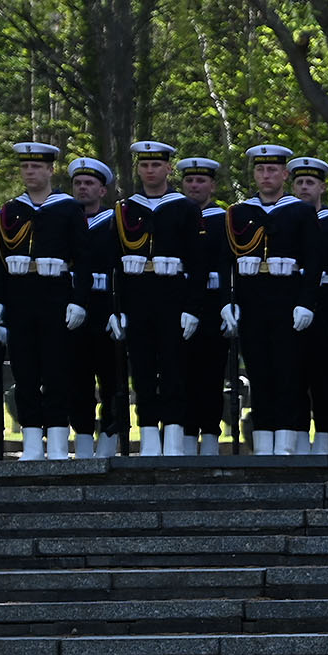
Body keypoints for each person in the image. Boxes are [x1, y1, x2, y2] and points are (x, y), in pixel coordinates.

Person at [225, 144, 315, 454]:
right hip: (252, 301)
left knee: (288, 371)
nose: (266, 175)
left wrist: (306, 301)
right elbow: (229, 262)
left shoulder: (300, 211)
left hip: (287, 300)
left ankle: (286, 442)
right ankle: (263, 440)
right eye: (261, 169)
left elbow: (313, 262)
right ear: (254, 174)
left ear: (285, 174)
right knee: (259, 371)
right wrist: (229, 300)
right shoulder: (239, 213)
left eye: (273, 169)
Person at [0, 141, 82, 460]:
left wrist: (78, 299)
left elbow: (82, 257)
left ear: (50, 170)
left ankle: (58, 441)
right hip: (20, 295)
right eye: (25, 167)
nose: (29, 172)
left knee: (56, 368)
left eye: (36, 167)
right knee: (25, 370)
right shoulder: (11, 209)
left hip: (55, 293)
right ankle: (31, 440)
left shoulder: (67, 208)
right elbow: (0, 260)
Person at [115, 140, 198, 456]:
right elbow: (116, 263)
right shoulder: (125, 209)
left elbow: (197, 263)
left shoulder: (184, 208)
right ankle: (148, 436)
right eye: (144, 165)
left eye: (156, 165)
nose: (149, 170)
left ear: (168, 168)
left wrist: (192, 307)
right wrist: (118, 308)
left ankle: (174, 437)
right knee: (143, 368)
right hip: (138, 297)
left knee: (175, 368)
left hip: (172, 295)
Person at [68, 158, 127, 458]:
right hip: (72, 308)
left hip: (105, 306)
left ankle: (109, 439)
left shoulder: (115, 222)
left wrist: (121, 308)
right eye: (78, 183)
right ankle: (80, 439)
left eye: (89, 183)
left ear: (103, 190)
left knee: (111, 377)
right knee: (76, 378)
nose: (82, 188)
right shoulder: (65, 219)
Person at [176, 156, 229, 454]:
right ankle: (183, 437)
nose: (194, 185)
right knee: (179, 372)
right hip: (179, 302)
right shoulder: (174, 215)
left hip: (211, 305)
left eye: (200, 180)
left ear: (213, 185)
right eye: (189, 180)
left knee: (211, 374)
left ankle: (210, 436)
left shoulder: (223, 220)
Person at [290, 156, 328, 453]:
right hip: (292, 302)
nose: (304, 188)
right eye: (299, 182)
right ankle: (297, 436)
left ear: (322, 187)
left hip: (325, 305)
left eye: (310, 182)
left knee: (322, 375)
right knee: (293, 373)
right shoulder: (288, 217)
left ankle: (323, 437)